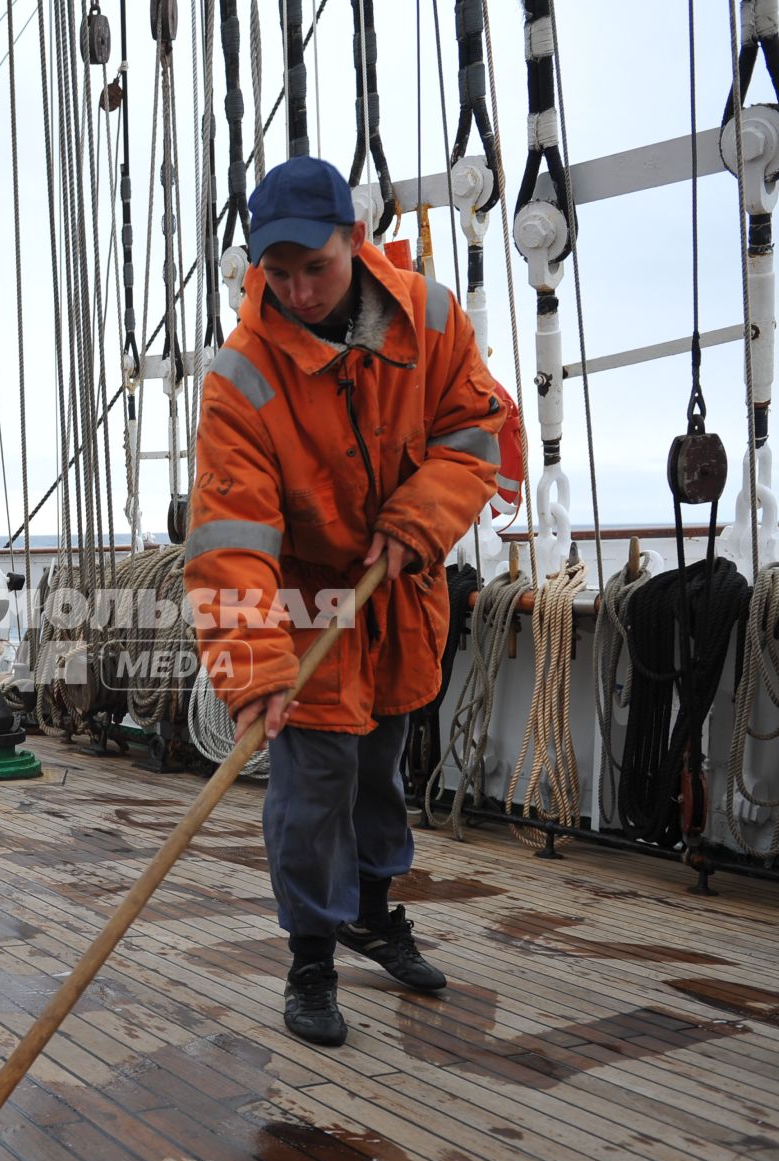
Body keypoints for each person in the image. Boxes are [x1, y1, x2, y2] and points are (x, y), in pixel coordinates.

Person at [184, 156, 504, 1048]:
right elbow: (230, 541)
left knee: (381, 772)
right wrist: (253, 671)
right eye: (276, 272)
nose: (298, 289)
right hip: (306, 606)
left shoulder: (432, 317)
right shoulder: (241, 377)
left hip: (400, 594)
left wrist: (420, 517)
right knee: (312, 790)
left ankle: (370, 911)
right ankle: (312, 961)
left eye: (314, 267)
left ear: (355, 242)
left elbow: (476, 429)